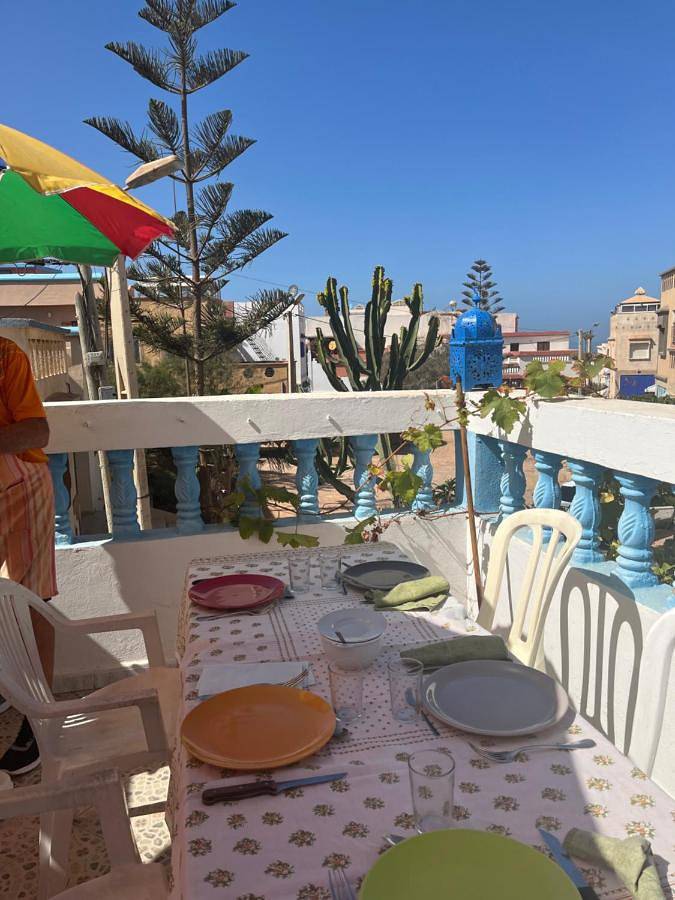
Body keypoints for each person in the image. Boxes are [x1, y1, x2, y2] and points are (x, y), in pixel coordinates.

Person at [0, 335, 56, 774]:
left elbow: (37, 430)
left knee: (31, 599)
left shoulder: (6, 355)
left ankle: (40, 722)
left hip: (19, 488)